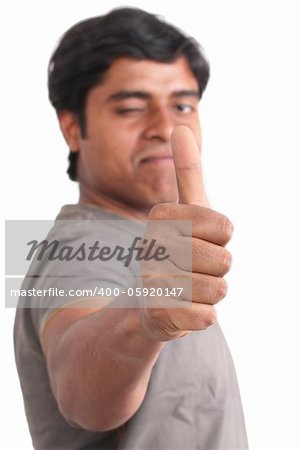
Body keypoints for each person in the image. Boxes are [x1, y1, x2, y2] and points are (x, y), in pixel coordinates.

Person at [14, 7, 248, 450]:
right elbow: (82, 397)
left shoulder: (154, 246)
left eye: (181, 105)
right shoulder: (78, 248)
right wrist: (142, 316)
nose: (164, 127)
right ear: (72, 129)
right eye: (131, 108)